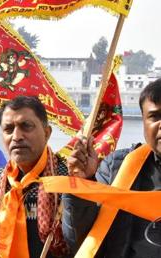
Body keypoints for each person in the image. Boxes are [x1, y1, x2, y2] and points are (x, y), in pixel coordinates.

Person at [0, 96, 70, 258]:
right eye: (8, 129)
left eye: (26, 126)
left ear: (47, 133)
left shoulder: (69, 180)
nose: (17, 136)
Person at [62, 79, 161, 257]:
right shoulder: (116, 167)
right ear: (144, 122)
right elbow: (80, 239)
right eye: (154, 116)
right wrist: (82, 185)